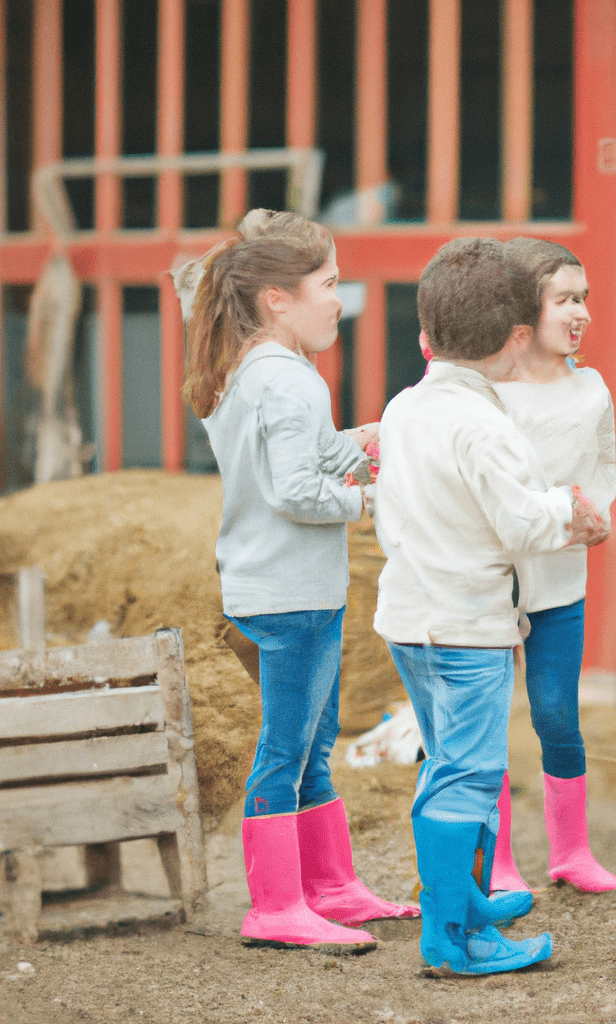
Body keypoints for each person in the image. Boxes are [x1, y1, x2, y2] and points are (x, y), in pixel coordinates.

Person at [181, 212, 418, 954]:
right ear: (278, 299)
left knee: (311, 748)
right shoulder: (292, 382)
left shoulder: (255, 371)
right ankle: (276, 905)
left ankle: (330, 888)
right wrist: (374, 498)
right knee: (286, 752)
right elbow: (294, 493)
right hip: (292, 595)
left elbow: (294, 468)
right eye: (329, 284)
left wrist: (359, 443)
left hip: (281, 588)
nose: (338, 300)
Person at [373, 236, 607, 974]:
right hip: (468, 627)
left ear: (424, 337)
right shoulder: (487, 426)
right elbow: (520, 524)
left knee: (446, 761)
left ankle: (466, 901)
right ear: (514, 340)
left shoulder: (404, 406)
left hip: (409, 619)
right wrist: (568, 511)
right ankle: (452, 935)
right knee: (469, 772)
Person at [486, 237, 616, 894]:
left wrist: (594, 515)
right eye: (565, 299)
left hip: (562, 579)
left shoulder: (592, 389)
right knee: (485, 718)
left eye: (584, 298)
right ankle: (498, 860)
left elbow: (603, 471)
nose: (582, 312)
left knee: (557, 712)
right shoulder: (481, 390)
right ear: (522, 310)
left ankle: (571, 852)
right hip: (489, 578)